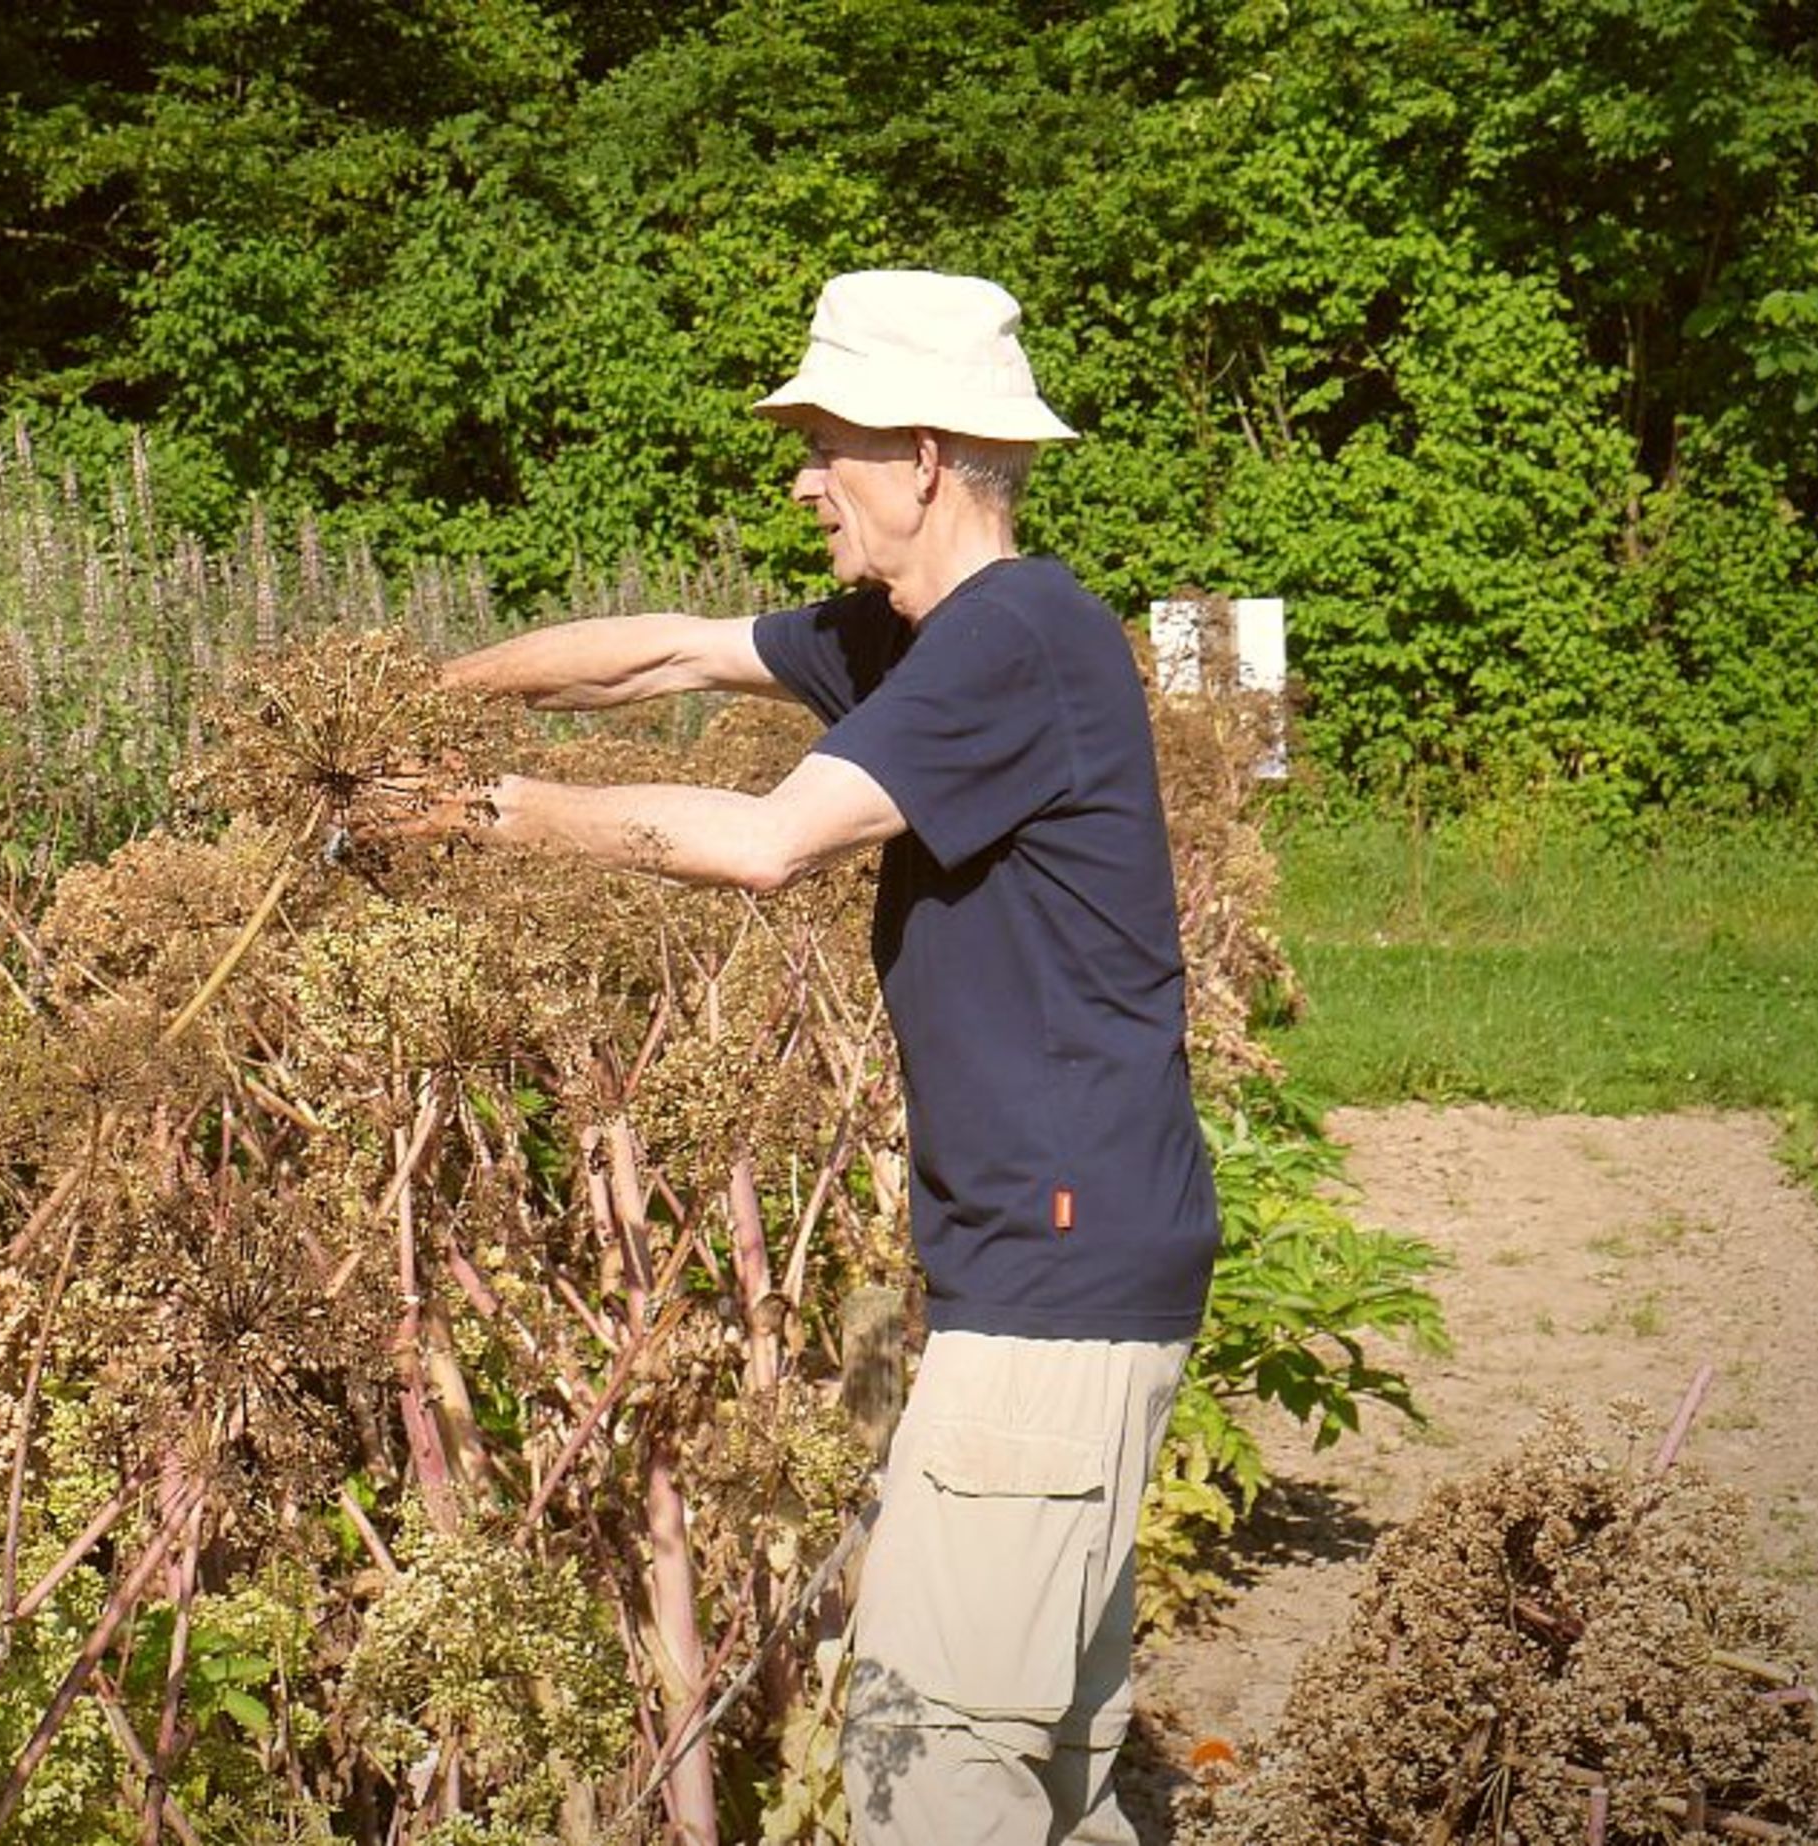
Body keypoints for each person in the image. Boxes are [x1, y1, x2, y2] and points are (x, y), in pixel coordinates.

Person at [356, 270, 1220, 1844]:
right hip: (1061, 1280)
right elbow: (667, 660)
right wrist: (412, 703)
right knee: (1044, 1788)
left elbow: (767, 844)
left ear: (931, 456)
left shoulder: (1013, 638)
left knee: (921, 1771)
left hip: (1052, 1276)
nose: (804, 476)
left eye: (831, 442)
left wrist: (488, 816)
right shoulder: (917, 635)